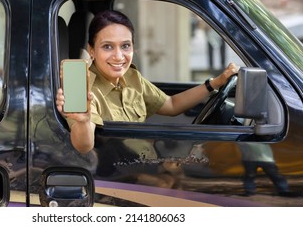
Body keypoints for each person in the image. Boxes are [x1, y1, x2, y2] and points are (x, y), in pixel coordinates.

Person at [56, 10, 239, 154]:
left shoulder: (132, 77)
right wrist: (83, 121)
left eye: (125, 46)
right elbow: (83, 146)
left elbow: (171, 105)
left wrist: (215, 83)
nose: (119, 56)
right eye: (107, 47)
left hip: (146, 161)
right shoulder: (84, 90)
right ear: (92, 51)